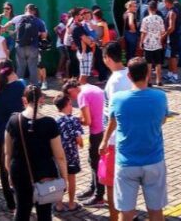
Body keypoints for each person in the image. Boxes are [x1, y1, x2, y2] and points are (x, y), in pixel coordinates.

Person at [100, 57, 169, 221]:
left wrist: (104, 141)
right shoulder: (160, 97)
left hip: (126, 162)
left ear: (129, 76)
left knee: (126, 212)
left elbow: (112, 122)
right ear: (148, 74)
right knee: (156, 211)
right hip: (154, 160)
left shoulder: (117, 99)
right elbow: (163, 120)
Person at [5, 85, 68, 221]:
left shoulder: (13, 121)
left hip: (19, 172)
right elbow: (60, 156)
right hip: (45, 173)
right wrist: (64, 178)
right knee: (44, 212)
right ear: (42, 100)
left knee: (22, 210)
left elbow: (7, 153)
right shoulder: (49, 123)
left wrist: (9, 173)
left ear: (24, 100)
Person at [63, 78, 107, 207]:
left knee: (95, 163)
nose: (73, 100)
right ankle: (93, 188)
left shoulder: (82, 95)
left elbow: (87, 121)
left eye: (70, 96)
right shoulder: (91, 87)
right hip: (104, 128)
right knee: (94, 161)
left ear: (71, 90)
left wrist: (74, 121)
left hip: (97, 132)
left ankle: (98, 196)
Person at [101, 41, 132, 221]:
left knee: (110, 184)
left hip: (114, 139)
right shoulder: (130, 73)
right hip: (128, 138)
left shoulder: (114, 81)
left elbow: (113, 115)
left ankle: (116, 217)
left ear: (107, 58)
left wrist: (105, 140)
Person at [0, 59, 25, 212]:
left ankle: (10, 204)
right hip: (16, 132)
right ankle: (23, 199)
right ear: (12, 70)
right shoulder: (20, 86)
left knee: (3, 168)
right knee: (18, 166)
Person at [54, 94, 84, 212]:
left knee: (60, 179)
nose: (72, 106)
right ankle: (71, 203)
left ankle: (59, 204)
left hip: (58, 155)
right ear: (66, 105)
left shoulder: (55, 120)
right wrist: (81, 144)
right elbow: (79, 139)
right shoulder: (73, 120)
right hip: (72, 156)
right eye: (70, 104)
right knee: (71, 179)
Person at [140, 1, 165, 86]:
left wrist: (141, 42)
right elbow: (162, 32)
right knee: (158, 63)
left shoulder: (145, 19)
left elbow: (143, 32)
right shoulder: (160, 18)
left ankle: (149, 81)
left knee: (148, 63)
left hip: (148, 44)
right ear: (156, 9)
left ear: (148, 8)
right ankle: (159, 80)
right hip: (157, 43)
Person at [71, 8, 95, 85]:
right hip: (85, 53)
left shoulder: (78, 26)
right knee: (83, 76)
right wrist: (93, 43)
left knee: (84, 74)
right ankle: (82, 93)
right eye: (81, 15)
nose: (83, 16)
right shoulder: (77, 28)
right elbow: (87, 41)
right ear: (76, 16)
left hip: (83, 52)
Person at [54, 13, 69, 78]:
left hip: (65, 44)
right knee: (63, 56)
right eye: (64, 19)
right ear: (62, 20)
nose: (66, 20)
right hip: (60, 44)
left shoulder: (67, 25)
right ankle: (58, 72)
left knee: (67, 58)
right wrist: (60, 36)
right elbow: (55, 29)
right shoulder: (61, 24)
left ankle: (63, 71)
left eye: (66, 19)